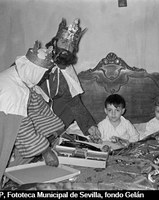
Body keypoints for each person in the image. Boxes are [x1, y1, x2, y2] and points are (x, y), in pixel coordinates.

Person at [0, 41, 65, 187]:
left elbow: (36, 104)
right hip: (4, 123)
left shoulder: (19, 74)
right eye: (43, 74)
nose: (44, 78)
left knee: (34, 141)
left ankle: (10, 174)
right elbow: (22, 130)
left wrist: (55, 126)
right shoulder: (13, 92)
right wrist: (46, 151)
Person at [38, 18, 101, 143]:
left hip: (49, 119)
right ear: (54, 43)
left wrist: (90, 127)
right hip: (27, 114)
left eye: (71, 45)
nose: (67, 48)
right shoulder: (38, 58)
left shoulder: (67, 70)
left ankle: (50, 138)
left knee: (69, 103)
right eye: (63, 41)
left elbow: (74, 103)